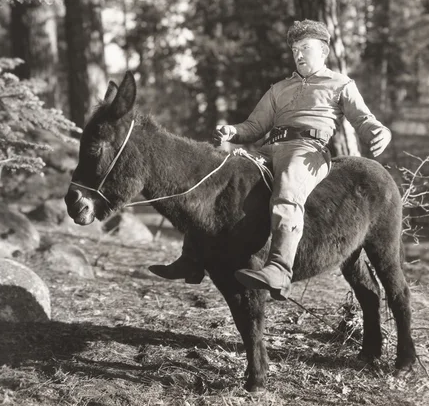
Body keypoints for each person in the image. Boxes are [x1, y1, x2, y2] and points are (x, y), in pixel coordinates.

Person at [149, 20, 392, 300]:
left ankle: (279, 268)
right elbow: (254, 126)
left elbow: (363, 119)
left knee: (287, 189)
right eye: (294, 49)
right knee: (221, 183)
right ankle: (191, 257)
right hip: (268, 149)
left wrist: (379, 132)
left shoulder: (339, 84)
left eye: (305, 48)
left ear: (323, 51)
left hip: (307, 151)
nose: (299, 54)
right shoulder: (279, 88)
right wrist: (234, 131)